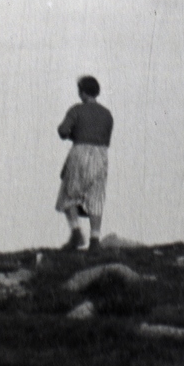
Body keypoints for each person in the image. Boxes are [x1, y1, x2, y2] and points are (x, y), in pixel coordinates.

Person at [55, 75, 113, 251]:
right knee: (96, 197)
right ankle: (95, 239)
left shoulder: (77, 110)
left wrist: (73, 135)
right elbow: (106, 138)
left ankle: (76, 232)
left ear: (83, 91)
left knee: (69, 194)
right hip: (101, 155)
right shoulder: (107, 114)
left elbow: (63, 130)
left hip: (80, 152)